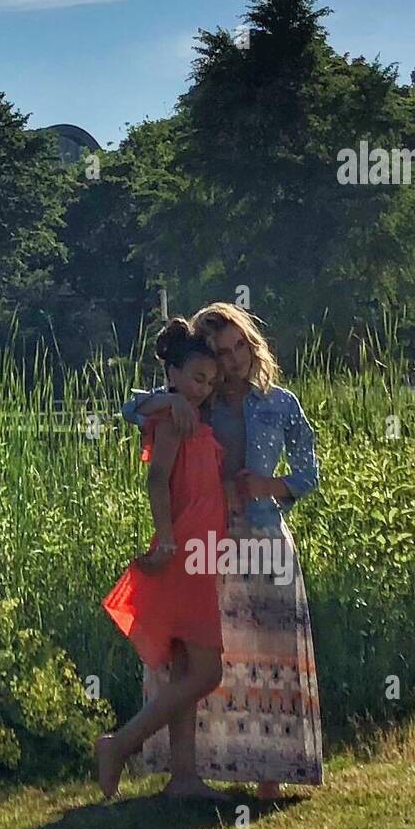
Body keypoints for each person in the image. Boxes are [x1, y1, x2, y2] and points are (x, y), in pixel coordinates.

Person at [122, 302, 323, 799]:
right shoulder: (199, 400)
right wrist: (172, 403)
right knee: (214, 657)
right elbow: (131, 408)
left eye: (240, 347)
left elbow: (307, 474)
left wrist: (267, 485)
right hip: (210, 538)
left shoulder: (280, 403)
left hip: (265, 535)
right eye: (222, 351)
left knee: (270, 651)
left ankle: (270, 776)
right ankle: (195, 770)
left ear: (253, 345)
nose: (233, 361)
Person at [96, 318, 236, 801]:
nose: (204, 388)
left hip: (201, 550)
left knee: (183, 669)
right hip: (187, 552)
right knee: (206, 672)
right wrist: (167, 538)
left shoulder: (186, 412)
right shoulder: (174, 417)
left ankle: (184, 777)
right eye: (197, 378)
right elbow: (157, 480)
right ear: (173, 374)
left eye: (211, 381)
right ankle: (120, 744)